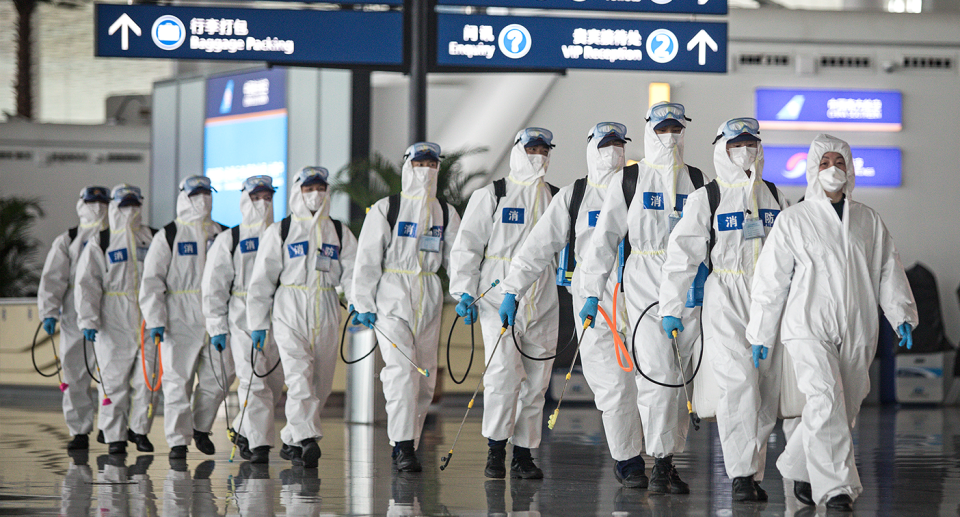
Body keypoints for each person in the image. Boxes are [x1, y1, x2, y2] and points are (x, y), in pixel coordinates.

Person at [747, 133, 918, 512]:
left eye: (839, 163)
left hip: (858, 325)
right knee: (825, 398)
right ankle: (837, 489)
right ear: (812, 170)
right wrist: (761, 330)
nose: (832, 170)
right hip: (808, 324)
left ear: (850, 169)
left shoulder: (867, 221)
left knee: (846, 404)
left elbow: (888, 269)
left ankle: (800, 468)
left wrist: (901, 314)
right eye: (824, 163)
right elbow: (771, 279)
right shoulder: (794, 220)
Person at [500, 122, 647, 488]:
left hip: (644, 292)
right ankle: (629, 460)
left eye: (618, 143)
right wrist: (512, 289)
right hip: (593, 300)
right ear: (590, 148)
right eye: (605, 143)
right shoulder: (574, 196)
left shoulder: (642, 187)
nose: (613, 150)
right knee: (612, 383)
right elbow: (538, 246)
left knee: (656, 382)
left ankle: (663, 459)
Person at [578, 102, 704, 494]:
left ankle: (666, 461)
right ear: (649, 130)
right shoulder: (630, 179)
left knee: (683, 377)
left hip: (689, 286)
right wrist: (590, 292)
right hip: (644, 283)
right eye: (662, 126)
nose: (670, 134)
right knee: (657, 374)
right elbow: (604, 241)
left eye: (676, 127)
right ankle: (657, 459)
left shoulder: (697, 180)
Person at [659, 118, 786, 501]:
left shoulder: (773, 194)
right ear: (721, 148)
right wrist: (671, 305)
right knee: (738, 384)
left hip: (768, 298)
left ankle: (753, 472)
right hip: (725, 295)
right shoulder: (707, 198)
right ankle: (741, 476)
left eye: (750, 142)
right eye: (736, 143)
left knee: (765, 389)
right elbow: (680, 256)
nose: (744, 150)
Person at [449, 128, 560, 479]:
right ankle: (496, 449)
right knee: (501, 375)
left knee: (538, 378)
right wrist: (464, 291)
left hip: (542, 295)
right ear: (517, 151)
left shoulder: (556, 199)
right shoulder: (493, 194)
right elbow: (467, 245)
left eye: (544, 149)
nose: (538, 154)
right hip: (497, 294)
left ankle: (524, 453)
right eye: (532, 148)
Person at [352, 142, 462, 472]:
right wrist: (363, 301)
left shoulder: (445, 211)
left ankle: (408, 444)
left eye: (432, 162)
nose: (427, 168)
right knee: (401, 372)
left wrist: (465, 293)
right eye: (420, 162)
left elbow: (458, 256)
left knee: (424, 379)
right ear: (408, 166)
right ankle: (402, 446)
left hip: (429, 296)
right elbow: (367, 257)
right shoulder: (388, 208)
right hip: (392, 298)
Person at [247, 166, 358, 469]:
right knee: (298, 376)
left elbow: (352, 273)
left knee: (320, 382)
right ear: (298, 191)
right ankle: (308, 439)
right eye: (309, 189)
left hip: (325, 305)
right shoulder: (280, 231)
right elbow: (261, 281)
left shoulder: (338, 230)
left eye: (320, 188)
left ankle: (292, 440)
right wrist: (258, 323)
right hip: (289, 307)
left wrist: (358, 302)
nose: (315, 194)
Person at [139, 175, 232, 460]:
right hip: (179, 314)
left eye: (207, 192)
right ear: (184, 196)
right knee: (178, 379)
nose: (203, 197)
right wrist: (155, 320)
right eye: (196, 193)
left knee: (221, 375)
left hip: (217, 312)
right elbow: (152, 281)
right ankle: (178, 440)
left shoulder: (224, 233)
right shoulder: (169, 234)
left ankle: (201, 426)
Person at [201, 175, 283, 465]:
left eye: (267, 197)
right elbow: (214, 286)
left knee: (273, 384)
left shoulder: (281, 234)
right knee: (253, 379)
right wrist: (217, 326)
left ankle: (240, 429)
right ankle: (260, 446)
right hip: (241, 318)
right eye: (256, 197)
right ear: (244, 199)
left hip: (278, 317)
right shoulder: (230, 239)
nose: (263, 202)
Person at [74, 184, 158, 455]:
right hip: (113, 319)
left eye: (135, 204)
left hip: (147, 316)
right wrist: (88, 320)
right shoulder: (102, 241)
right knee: (113, 381)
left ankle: (139, 429)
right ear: (114, 206)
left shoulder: (153, 238)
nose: (130, 210)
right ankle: (114, 437)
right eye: (125, 205)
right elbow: (87, 283)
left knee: (148, 379)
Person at [37, 185, 111, 450]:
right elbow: (52, 279)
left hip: (111, 317)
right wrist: (49, 311)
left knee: (110, 374)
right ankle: (79, 430)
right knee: (75, 373)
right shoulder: (68, 240)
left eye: (103, 201)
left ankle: (110, 427)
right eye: (93, 201)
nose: (98, 206)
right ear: (82, 204)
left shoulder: (117, 238)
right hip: (73, 317)